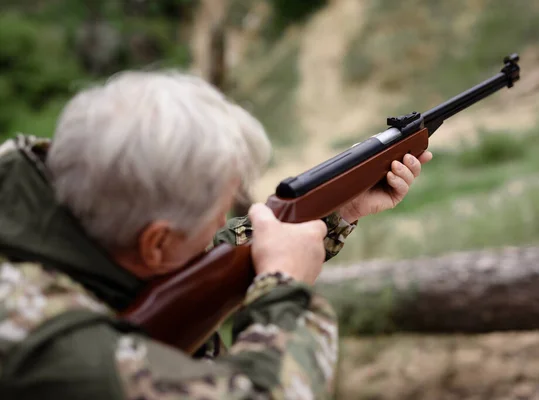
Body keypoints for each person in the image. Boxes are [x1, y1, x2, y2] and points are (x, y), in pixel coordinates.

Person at [0, 71, 432, 399]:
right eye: (218, 214)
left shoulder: (45, 200)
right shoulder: (55, 351)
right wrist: (285, 288)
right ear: (156, 243)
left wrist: (335, 212)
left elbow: (192, 266)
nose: (221, 225)